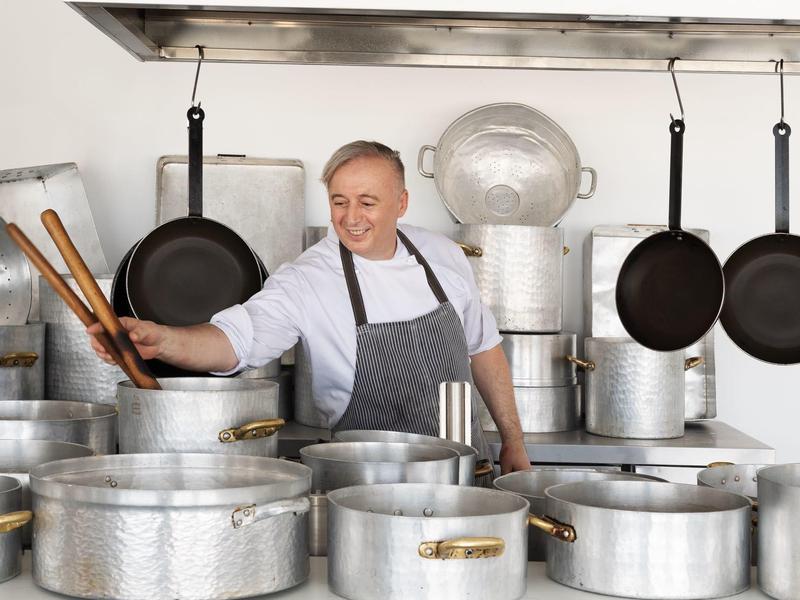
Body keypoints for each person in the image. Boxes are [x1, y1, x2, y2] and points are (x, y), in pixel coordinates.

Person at [89, 140, 530, 474]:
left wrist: (513, 440)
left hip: (464, 473)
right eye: (340, 202)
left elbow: (484, 350)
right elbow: (234, 341)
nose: (350, 217)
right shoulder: (308, 278)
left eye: (367, 202)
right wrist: (161, 339)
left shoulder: (443, 257)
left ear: (401, 203)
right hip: (364, 484)